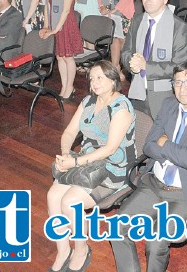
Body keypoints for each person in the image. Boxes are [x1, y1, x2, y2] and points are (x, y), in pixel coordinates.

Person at [110, 61, 187, 272]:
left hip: (186, 193)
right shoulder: (168, 105)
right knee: (117, 227)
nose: (183, 88)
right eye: (178, 82)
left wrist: (165, 144)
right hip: (155, 184)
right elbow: (149, 146)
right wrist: (179, 154)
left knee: (156, 241)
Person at [48, 60, 135, 272]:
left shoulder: (121, 107)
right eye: (91, 78)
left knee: (70, 203)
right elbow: (69, 132)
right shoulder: (88, 101)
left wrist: (75, 162)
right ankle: (63, 251)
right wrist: (66, 152)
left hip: (112, 167)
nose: (94, 83)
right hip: (86, 161)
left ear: (113, 80)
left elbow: (110, 149)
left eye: (100, 78)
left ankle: (81, 249)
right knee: (52, 196)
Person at [121, 0, 187, 119]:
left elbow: (180, 67)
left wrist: (146, 66)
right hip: (137, 91)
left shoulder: (179, 28)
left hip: (164, 97)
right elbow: (126, 52)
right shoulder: (137, 21)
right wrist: (131, 63)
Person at [40, 0, 83, 100]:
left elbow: (65, 11)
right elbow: (47, 7)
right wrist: (47, 26)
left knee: (68, 57)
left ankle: (70, 86)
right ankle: (64, 86)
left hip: (66, 24)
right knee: (60, 57)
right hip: (55, 24)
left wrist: (55, 29)